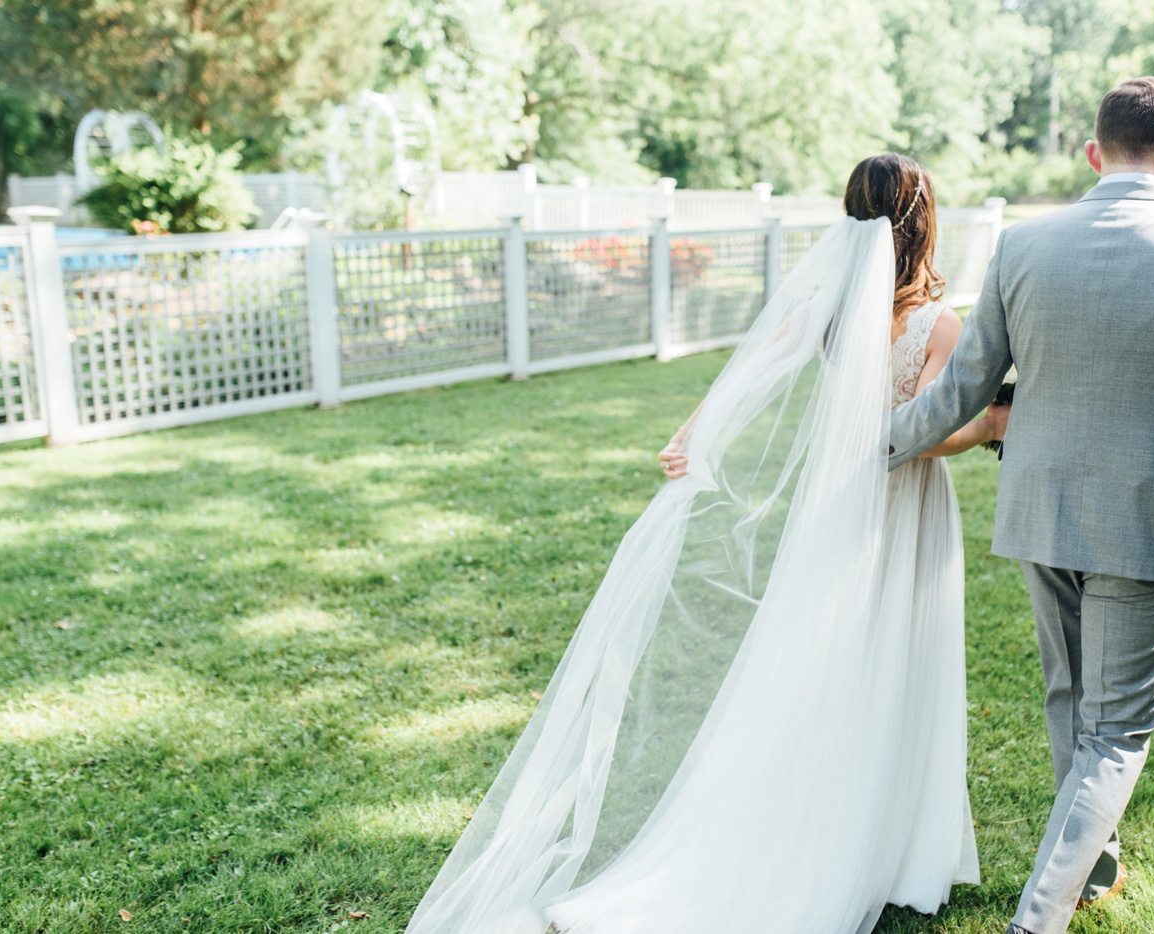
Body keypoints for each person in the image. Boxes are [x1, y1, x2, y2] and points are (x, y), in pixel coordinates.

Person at [405, 154, 1006, 934]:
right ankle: (882, 849)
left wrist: (692, 432)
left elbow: (752, 366)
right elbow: (919, 438)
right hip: (907, 514)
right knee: (897, 661)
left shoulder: (832, 308)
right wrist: (993, 422)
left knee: (835, 668)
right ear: (924, 223)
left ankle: (839, 829)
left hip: (837, 514)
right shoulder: (938, 324)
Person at [886, 77, 1154, 934]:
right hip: (1151, 524)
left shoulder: (1024, 246)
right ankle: (1039, 919)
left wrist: (872, 445)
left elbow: (962, 388)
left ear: (1094, 152)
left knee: (1073, 700)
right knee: (1115, 732)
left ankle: (1091, 866)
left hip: (1041, 511)